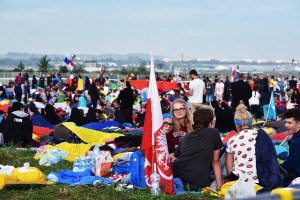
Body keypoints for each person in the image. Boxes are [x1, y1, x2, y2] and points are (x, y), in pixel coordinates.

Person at [226, 104, 281, 191]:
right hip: (259, 179)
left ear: (236, 124)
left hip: (238, 179)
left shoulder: (231, 140)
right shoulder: (261, 136)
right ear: (251, 122)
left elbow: (229, 170)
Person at [171, 107, 223, 191]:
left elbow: (174, 158)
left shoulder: (186, 137)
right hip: (198, 183)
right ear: (210, 123)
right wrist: (220, 187)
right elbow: (215, 161)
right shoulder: (214, 132)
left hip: (178, 176)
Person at [281, 108, 300, 184]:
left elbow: (288, 166)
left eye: (289, 123)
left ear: (298, 123)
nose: (286, 125)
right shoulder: (295, 138)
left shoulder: (297, 142)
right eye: (285, 122)